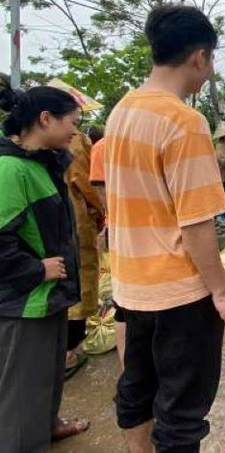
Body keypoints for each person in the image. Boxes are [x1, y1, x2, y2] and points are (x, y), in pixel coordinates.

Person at [106, 5, 225, 453]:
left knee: (137, 389)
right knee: (182, 413)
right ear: (200, 57)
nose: (207, 74)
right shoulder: (184, 122)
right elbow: (196, 226)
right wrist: (222, 292)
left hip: (130, 285)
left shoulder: (121, 112)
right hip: (177, 295)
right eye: (210, 63)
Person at [0, 82, 91, 449]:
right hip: (25, 300)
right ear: (45, 119)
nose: (74, 131)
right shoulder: (10, 170)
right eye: (71, 121)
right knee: (23, 386)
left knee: (49, 374)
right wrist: (38, 270)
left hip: (49, 295)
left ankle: (48, 424)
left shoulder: (43, 163)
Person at [64, 127, 104, 380]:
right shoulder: (76, 142)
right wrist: (99, 213)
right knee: (78, 282)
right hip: (74, 221)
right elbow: (86, 183)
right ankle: (67, 353)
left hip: (56, 223)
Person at [89, 134, 127, 370]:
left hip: (150, 229)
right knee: (124, 300)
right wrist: (113, 222)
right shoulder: (102, 148)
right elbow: (102, 191)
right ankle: (128, 368)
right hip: (122, 228)